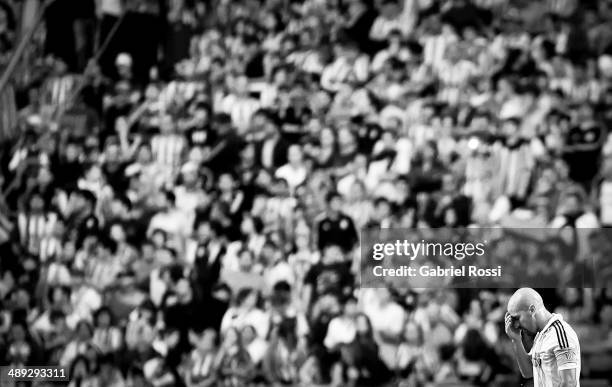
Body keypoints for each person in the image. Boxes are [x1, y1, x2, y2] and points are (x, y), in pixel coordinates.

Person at [505, 288, 581, 387]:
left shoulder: (561, 334)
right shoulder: (541, 334)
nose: (516, 325)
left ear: (532, 310)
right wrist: (516, 339)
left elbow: (570, 383)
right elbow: (528, 372)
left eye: (517, 318)